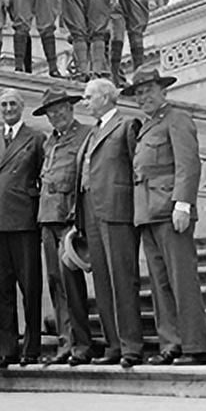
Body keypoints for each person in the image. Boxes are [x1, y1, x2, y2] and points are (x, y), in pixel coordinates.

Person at [122, 66, 206, 366]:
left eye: (148, 90)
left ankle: (195, 345)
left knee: (181, 280)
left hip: (171, 211)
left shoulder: (177, 119)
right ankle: (171, 343)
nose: (143, 96)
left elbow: (188, 164)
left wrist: (183, 204)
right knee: (160, 283)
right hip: (148, 213)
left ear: (163, 91)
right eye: (138, 92)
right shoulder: (147, 125)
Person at [75, 78, 143, 369]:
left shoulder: (127, 125)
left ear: (105, 97)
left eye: (89, 96)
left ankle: (131, 345)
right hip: (90, 210)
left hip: (117, 210)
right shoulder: (91, 133)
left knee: (122, 278)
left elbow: (135, 170)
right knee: (101, 280)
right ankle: (113, 343)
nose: (85, 101)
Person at [0, 88, 45, 366]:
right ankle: (6, 349)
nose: (8, 108)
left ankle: (31, 347)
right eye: (4, 104)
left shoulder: (36, 138)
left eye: (13, 103)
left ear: (22, 106)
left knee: (30, 287)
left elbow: (44, 179)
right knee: (1, 290)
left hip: (23, 220)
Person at [32, 86, 93, 366]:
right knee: (55, 282)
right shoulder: (48, 143)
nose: (56, 115)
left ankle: (82, 343)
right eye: (51, 112)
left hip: (69, 218)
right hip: (47, 218)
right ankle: (65, 342)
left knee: (72, 283)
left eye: (60, 109)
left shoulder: (85, 135)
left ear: (71, 108)